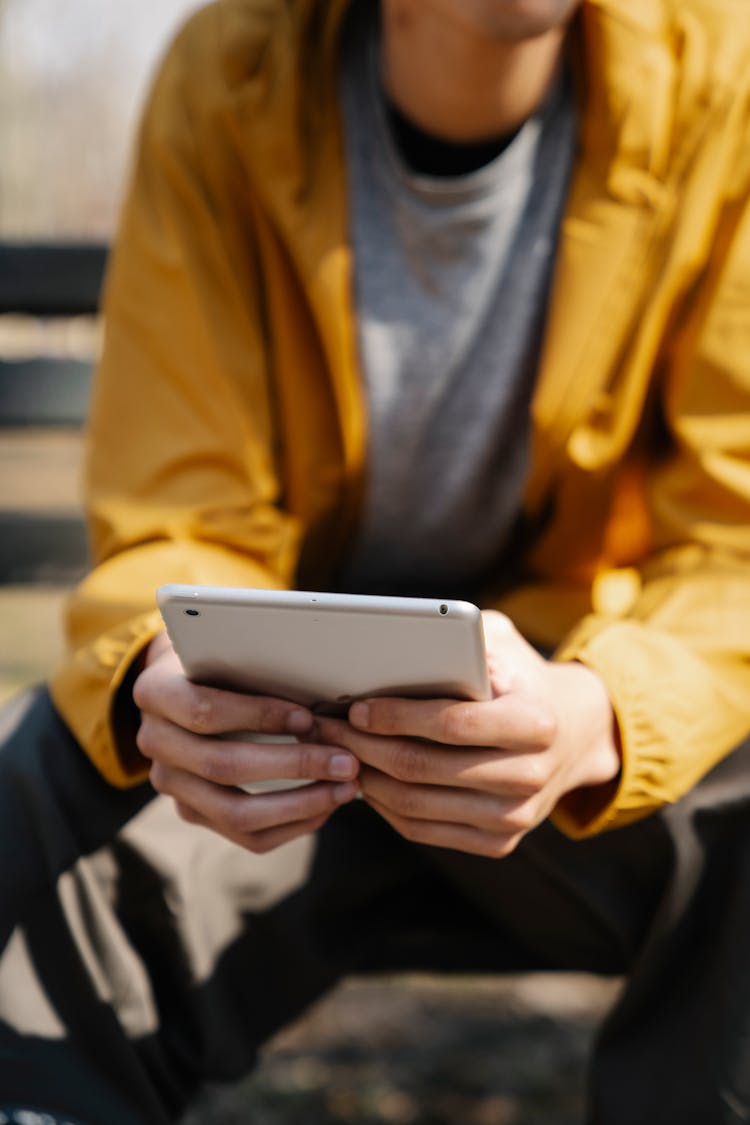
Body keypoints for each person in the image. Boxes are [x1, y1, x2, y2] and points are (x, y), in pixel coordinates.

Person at [2, 0, 750, 1121]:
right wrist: (168, 671)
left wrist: (601, 717)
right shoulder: (227, 76)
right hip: (282, 733)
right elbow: (179, 509)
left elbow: (732, 542)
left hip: (595, 719)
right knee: (40, 784)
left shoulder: (724, 75)